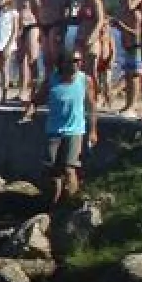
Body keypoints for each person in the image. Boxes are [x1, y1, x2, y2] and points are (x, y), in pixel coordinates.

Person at [20, 50, 97, 206]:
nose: (76, 64)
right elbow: (37, 100)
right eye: (73, 61)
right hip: (54, 130)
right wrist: (29, 113)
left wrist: (93, 131)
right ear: (63, 63)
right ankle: (53, 202)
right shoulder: (52, 80)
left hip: (75, 130)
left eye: (78, 61)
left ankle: (71, 202)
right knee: (51, 170)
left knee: (70, 168)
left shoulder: (85, 80)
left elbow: (91, 107)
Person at [112, 0, 142, 117]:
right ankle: (127, 105)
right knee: (127, 74)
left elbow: (130, 7)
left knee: (134, 76)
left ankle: (132, 106)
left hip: (137, 41)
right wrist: (118, 23)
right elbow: (123, 12)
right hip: (127, 41)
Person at [37, 0, 72, 87]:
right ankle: (49, 85)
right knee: (46, 59)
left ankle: (61, 83)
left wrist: (62, 27)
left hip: (56, 24)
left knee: (56, 57)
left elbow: (68, 9)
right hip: (44, 24)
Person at [73, 0, 107, 104]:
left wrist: (92, 37)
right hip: (80, 36)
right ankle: (82, 94)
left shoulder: (95, 0)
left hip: (92, 38)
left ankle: (97, 95)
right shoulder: (82, 0)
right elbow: (78, 19)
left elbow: (100, 20)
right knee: (77, 66)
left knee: (92, 70)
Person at [12, 0, 42, 102]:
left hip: (33, 25)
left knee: (32, 59)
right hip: (21, 26)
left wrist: (41, 29)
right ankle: (23, 90)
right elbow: (17, 11)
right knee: (20, 59)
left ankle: (34, 90)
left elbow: (39, 9)